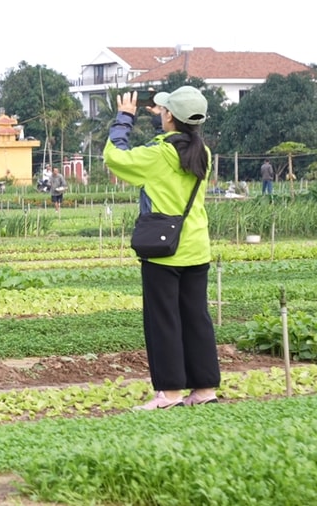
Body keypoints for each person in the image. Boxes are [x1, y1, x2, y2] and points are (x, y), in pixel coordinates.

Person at [104, 86, 220, 410]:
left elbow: (115, 156)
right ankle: (205, 388)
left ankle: (169, 394)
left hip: (164, 249)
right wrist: (168, 121)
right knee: (196, 317)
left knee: (163, 319)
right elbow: (181, 139)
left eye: (165, 110)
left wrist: (124, 118)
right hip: (197, 245)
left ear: (170, 116)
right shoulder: (203, 153)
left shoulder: (158, 155)